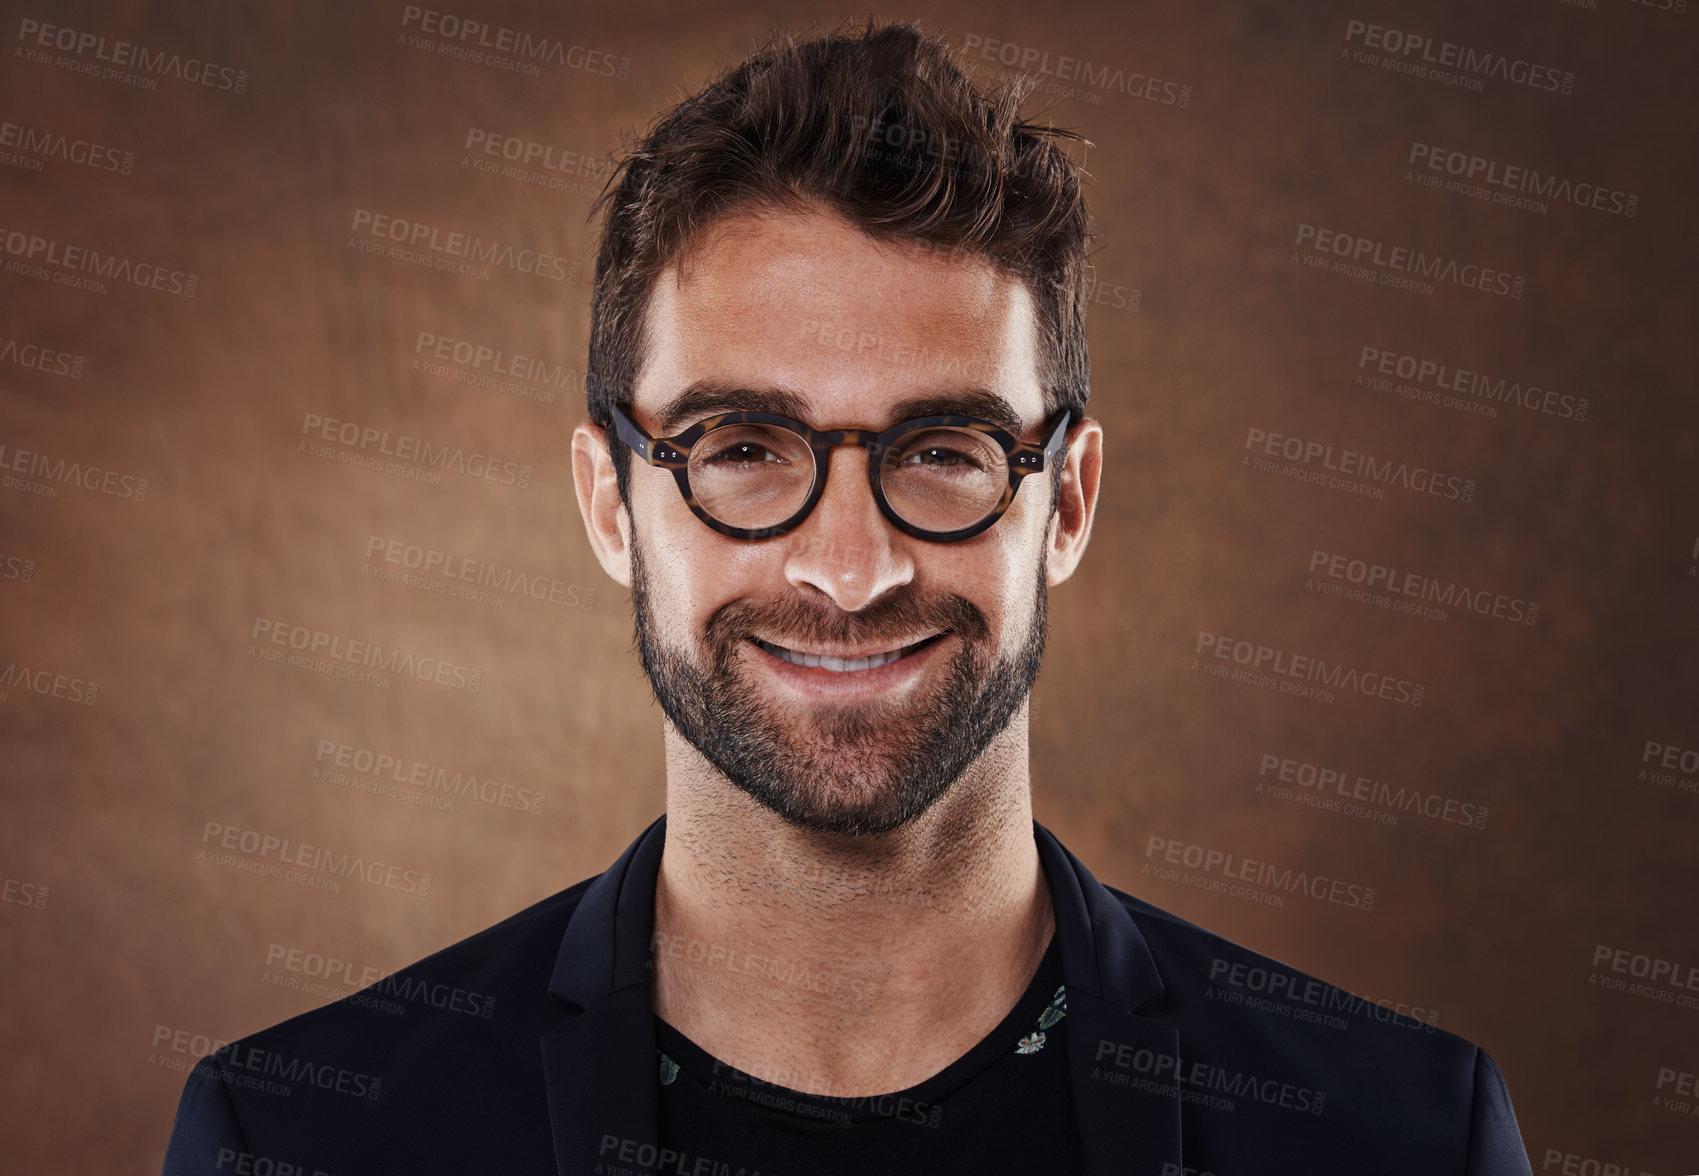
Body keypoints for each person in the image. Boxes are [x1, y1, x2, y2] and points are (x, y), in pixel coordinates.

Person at [163, 21, 1534, 1175]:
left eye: (943, 453)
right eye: (743, 452)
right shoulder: (297, 1135)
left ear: (1066, 501)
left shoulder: (1400, 1135)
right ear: (607, 503)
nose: (851, 568)